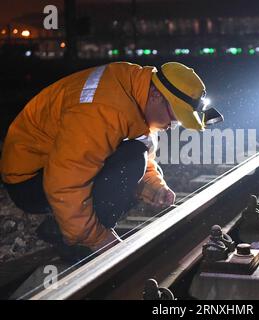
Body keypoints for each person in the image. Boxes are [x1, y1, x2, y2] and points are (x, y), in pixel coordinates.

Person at [0, 61, 223, 257]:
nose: (169, 126)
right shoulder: (104, 110)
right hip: (28, 179)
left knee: (135, 155)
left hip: (52, 165)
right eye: (173, 118)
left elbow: (142, 155)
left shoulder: (136, 90)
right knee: (132, 158)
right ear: (156, 95)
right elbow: (65, 181)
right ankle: (75, 242)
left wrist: (154, 188)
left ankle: (63, 225)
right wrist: (97, 239)